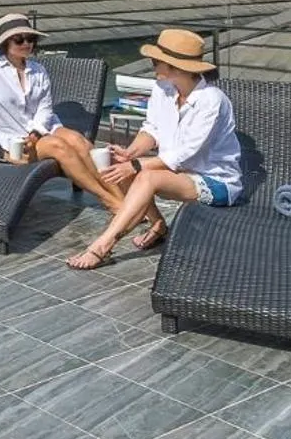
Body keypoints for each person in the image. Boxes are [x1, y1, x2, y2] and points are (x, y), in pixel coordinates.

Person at [67, 28, 241, 270]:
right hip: (177, 173)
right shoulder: (162, 89)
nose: (152, 65)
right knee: (125, 167)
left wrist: (136, 166)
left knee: (144, 175)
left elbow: (184, 153)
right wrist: (130, 154)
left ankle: (102, 246)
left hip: (214, 179)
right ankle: (158, 224)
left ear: (176, 67)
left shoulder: (212, 100)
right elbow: (152, 130)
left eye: (156, 61)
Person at [0, 13, 125, 215]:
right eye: (19, 39)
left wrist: (36, 133)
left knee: (81, 142)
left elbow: (45, 109)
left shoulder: (38, 70)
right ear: (4, 43)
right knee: (60, 147)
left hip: (43, 127)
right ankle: (107, 200)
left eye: (31, 39)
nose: (26, 44)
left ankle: (122, 199)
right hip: (11, 139)